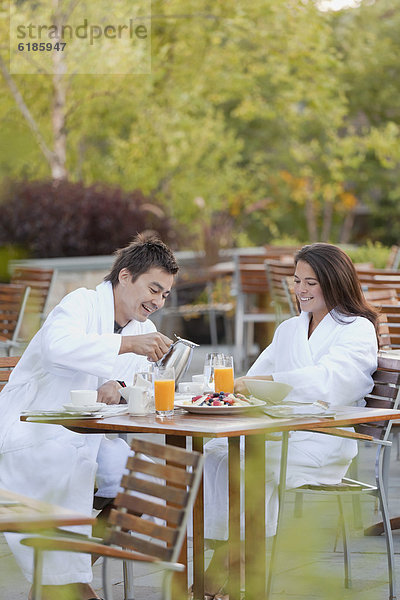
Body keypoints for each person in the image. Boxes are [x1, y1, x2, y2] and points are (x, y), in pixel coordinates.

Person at [0, 234, 179, 600]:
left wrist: (119, 381)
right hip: (32, 432)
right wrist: (127, 347)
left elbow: (132, 382)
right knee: (67, 472)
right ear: (126, 276)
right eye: (154, 289)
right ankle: (73, 585)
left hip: (90, 438)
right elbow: (57, 348)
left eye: (165, 295)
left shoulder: (142, 329)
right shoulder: (80, 303)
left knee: (144, 481)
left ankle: (65, 580)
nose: (158, 302)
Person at [203, 243, 379, 597]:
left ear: (334, 282)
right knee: (214, 452)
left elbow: (332, 382)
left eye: (311, 283)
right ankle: (227, 555)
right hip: (279, 432)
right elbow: (251, 380)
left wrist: (265, 384)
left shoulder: (356, 329)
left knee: (251, 463)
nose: (301, 290)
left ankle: (221, 570)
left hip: (325, 438)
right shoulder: (289, 330)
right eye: (297, 281)